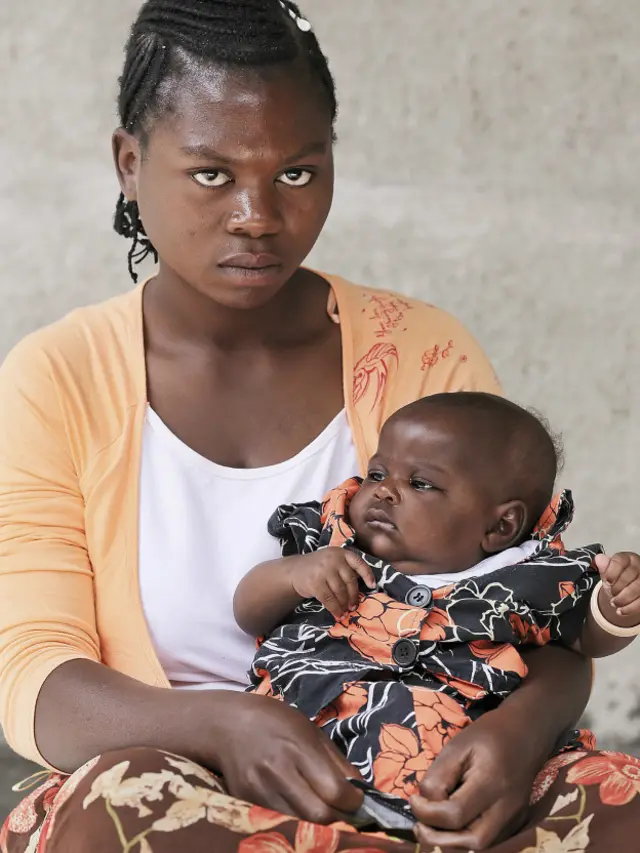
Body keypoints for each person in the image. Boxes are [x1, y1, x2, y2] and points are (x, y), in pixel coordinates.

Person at [0, 1, 637, 851]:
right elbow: (34, 672)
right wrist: (223, 726)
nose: (258, 214)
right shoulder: (57, 379)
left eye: (296, 173)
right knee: (118, 812)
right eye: (212, 174)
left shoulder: (425, 355)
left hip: (433, 772)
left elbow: (532, 604)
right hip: (188, 788)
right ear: (129, 161)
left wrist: (515, 740)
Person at [235, 393, 640, 835]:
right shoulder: (332, 543)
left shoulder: (528, 575)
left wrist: (617, 606)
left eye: (421, 483)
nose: (384, 490)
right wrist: (294, 575)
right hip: (305, 722)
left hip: (452, 752)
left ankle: (399, 821)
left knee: (617, 790)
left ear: (500, 527)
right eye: (377, 473)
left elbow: (582, 640)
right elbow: (249, 612)